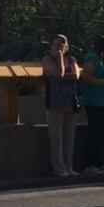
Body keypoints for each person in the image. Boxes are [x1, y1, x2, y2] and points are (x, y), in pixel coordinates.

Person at [80, 36, 104, 174]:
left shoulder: (103, 62)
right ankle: (89, 164)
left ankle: (98, 163)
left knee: (102, 133)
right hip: (93, 101)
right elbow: (85, 76)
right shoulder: (92, 58)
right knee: (94, 132)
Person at [43, 34, 81, 177]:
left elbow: (76, 75)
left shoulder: (71, 59)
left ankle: (69, 166)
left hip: (71, 100)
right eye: (57, 44)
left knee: (69, 137)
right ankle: (59, 168)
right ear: (51, 46)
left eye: (62, 44)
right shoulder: (47, 59)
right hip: (55, 102)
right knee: (56, 138)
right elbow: (59, 73)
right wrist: (59, 60)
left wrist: (62, 75)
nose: (60, 47)